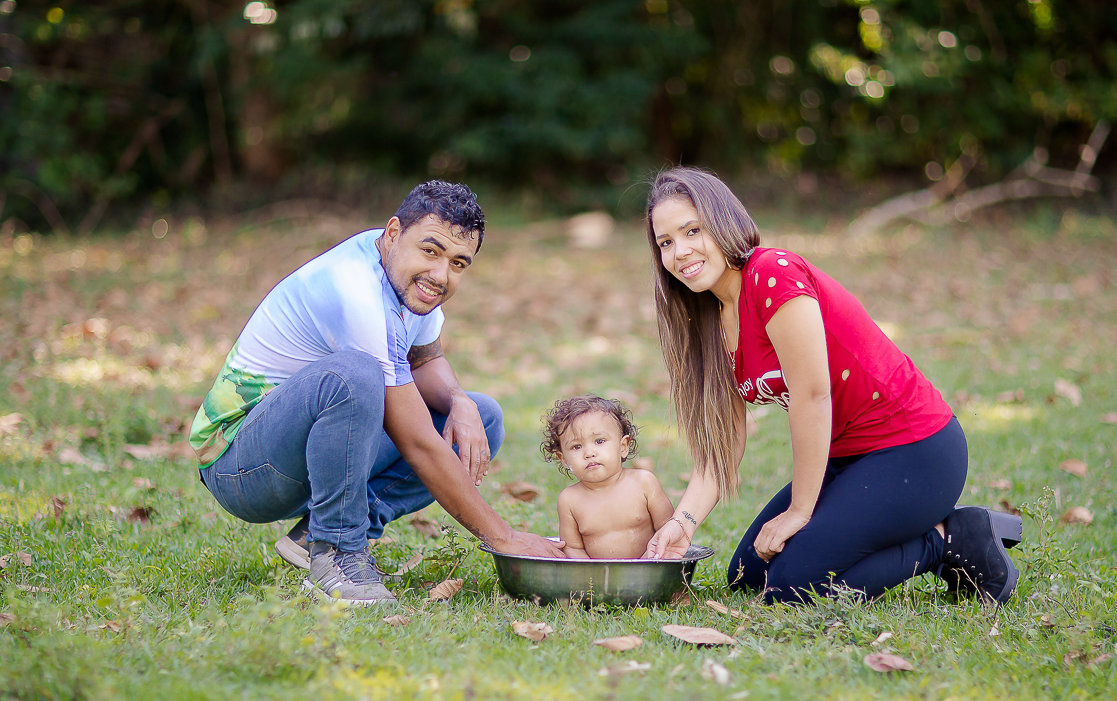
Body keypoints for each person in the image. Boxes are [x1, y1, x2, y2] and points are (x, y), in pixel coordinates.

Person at [641, 167, 1020, 605]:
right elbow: (723, 448)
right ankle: (888, 531)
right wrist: (683, 524)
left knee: (790, 587)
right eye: (666, 242)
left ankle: (951, 539)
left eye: (692, 230)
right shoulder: (711, 319)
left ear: (723, 221)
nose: (680, 251)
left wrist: (800, 512)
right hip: (846, 461)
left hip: (915, 451)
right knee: (747, 576)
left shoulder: (771, 274)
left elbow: (813, 395)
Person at [189, 180, 564, 606]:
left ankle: (315, 532)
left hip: (295, 453)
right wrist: (505, 537)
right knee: (355, 377)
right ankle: (337, 552)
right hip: (239, 465)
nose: (441, 275)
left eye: (459, 263)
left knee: (482, 415)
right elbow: (418, 442)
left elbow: (424, 358)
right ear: (392, 233)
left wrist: (459, 400)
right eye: (431, 251)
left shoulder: (407, 279)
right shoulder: (353, 287)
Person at [542, 395, 674, 559]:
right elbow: (573, 548)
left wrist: (645, 564)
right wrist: (593, 579)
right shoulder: (569, 500)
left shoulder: (644, 483)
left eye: (599, 441)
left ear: (623, 446)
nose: (589, 453)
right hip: (599, 579)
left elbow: (668, 529)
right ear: (563, 459)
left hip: (649, 569)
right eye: (577, 446)